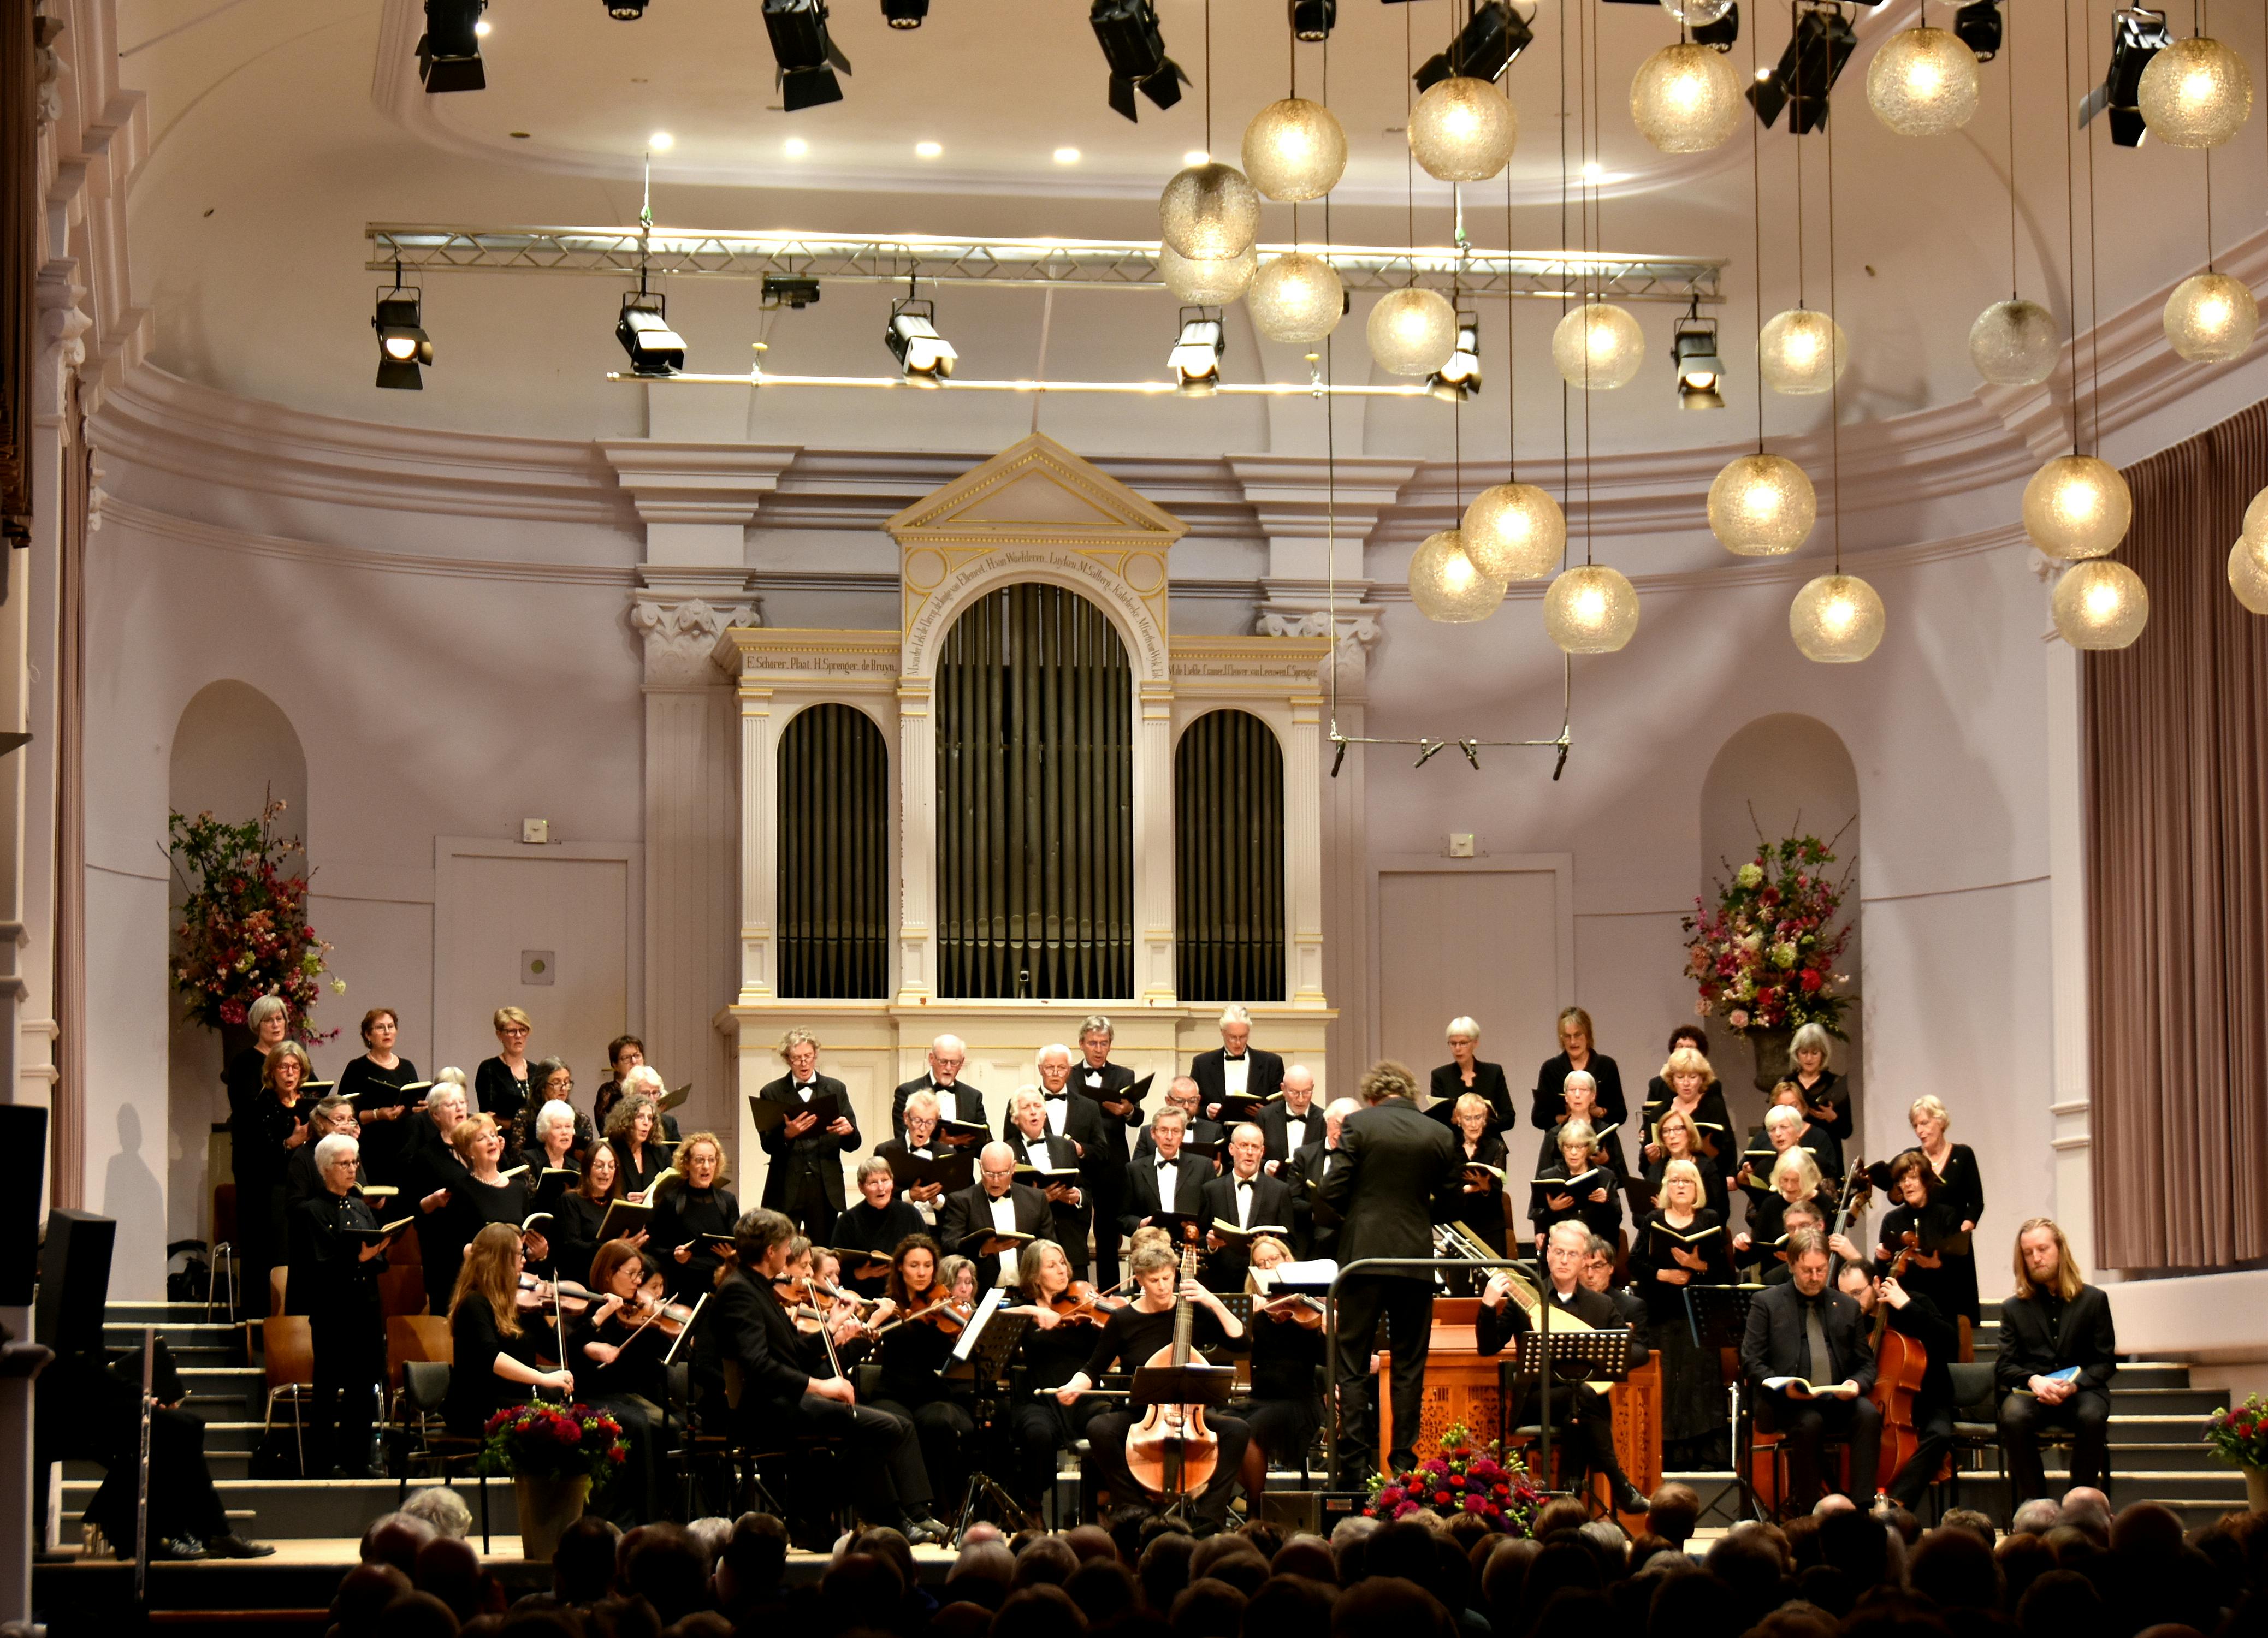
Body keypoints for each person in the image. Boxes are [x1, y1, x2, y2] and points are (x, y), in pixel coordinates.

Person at [703, 1207, 947, 1542]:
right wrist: (823, 1386)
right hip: (763, 1409)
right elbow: (758, 1365)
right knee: (884, 1428)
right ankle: (833, 1514)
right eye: (787, 1247)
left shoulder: (758, 1287)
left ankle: (820, 1515)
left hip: (784, 1400)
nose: (790, 1253)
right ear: (771, 1251)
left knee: (880, 1430)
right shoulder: (740, 1291)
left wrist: (831, 1326)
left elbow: (795, 1353)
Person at [1317, 1060, 1458, 1486]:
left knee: (1353, 1363)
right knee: (1410, 1365)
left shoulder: (1359, 1125)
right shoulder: (1440, 1133)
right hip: (1416, 1260)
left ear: (1372, 1096)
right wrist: (1415, 1219)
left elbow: (1329, 1191)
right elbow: (1452, 1207)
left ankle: (1356, 1470)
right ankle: (1402, 1466)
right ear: (1410, 1093)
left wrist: (1356, 1220)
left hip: (1363, 1260)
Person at [1046, 1243, 1252, 1532]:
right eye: (1154, 1280)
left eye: (1168, 1278)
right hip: (1142, 1414)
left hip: (1190, 1413)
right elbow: (1093, 1368)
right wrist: (1073, 1386)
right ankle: (1135, 1508)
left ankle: (1209, 1516)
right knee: (1100, 1428)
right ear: (1140, 1280)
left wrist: (1213, 1302)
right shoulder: (1123, 1320)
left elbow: (1241, 1342)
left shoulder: (1192, 1311)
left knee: (1237, 1430)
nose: (1163, 1286)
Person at [1476, 1221, 1647, 1512]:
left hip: (1583, 1402)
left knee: (1576, 1411)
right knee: (1581, 1398)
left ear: (1584, 1260)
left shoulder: (1602, 1305)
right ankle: (1619, 1484)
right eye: (1559, 1252)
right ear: (1547, 1255)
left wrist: (1605, 1353)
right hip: (1537, 1399)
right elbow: (1487, 1347)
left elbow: (1640, 1351)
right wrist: (1489, 1306)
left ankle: (1567, 1498)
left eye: (1572, 1254)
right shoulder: (1525, 1301)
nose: (1565, 1260)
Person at [1740, 1228, 1882, 1512]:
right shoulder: (1767, 1303)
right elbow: (1751, 1360)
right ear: (1792, 1265)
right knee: (1810, 1422)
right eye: (1807, 1271)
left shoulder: (1845, 1305)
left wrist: (1856, 1384)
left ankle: (1861, 1506)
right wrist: (1783, 1387)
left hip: (1835, 1398)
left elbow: (1866, 1363)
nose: (1816, 1277)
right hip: (1786, 1403)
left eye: (1821, 1270)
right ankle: (1808, 1510)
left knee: (1868, 1414)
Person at [1996, 1216, 2116, 1504]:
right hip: (2034, 1391)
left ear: (2060, 1250)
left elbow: (2105, 1362)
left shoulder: (2094, 1300)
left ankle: (2079, 1503)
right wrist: (2033, 1380)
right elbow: (2005, 1365)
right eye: (2028, 1253)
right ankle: (2037, 1506)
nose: (2036, 1258)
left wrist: (2075, 1386)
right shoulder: (2013, 1308)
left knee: (2092, 1416)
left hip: (2081, 1390)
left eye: (2043, 1249)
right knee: (2012, 1417)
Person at [298, 1132, 396, 1476]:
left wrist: (377, 1252)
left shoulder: (359, 1207)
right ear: (326, 1168)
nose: (352, 1169)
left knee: (363, 1389)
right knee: (327, 1389)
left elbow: (378, 1263)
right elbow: (318, 1263)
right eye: (345, 1164)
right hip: (332, 1311)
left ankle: (357, 1460)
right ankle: (321, 1464)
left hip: (366, 1307)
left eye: (355, 1162)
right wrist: (360, 1258)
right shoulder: (310, 1211)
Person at [1836, 1258, 1959, 1511]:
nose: (1853, 1302)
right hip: (1879, 1404)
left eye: (1858, 1293)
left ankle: (1899, 1504)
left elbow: (1950, 1342)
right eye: (1846, 1296)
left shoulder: (1913, 1302)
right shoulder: (1851, 1320)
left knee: (1940, 1435)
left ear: (1877, 1283)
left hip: (1928, 1400)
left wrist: (1907, 1307)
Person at [1632, 1158, 1732, 1468]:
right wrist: (1663, 1274)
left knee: (1699, 1384)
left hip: (1698, 1316)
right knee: (1668, 1386)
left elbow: (1724, 1274)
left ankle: (1703, 1456)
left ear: (1696, 1188)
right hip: (1661, 1314)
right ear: (1666, 1187)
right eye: (1674, 1181)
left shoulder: (1710, 1220)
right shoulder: (1652, 1219)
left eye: (1686, 1181)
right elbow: (1635, 1264)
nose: (1679, 1186)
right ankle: (1668, 1456)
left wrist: (1696, 1266)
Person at [565, 1237, 671, 1525]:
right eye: (632, 1274)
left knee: (664, 1423)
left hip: (622, 1395)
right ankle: (622, 1517)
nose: (638, 1281)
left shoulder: (633, 1311)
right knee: (636, 1423)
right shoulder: (588, 1308)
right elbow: (567, 1348)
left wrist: (654, 1327)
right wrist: (600, 1319)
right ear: (610, 1273)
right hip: (591, 1396)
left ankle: (653, 1512)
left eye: (640, 1275)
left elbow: (639, 1367)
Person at [1003, 1238, 1112, 1518]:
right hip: (1040, 1397)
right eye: (1052, 1266)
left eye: (1062, 1262)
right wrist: (1034, 1311)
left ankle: (1099, 1502)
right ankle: (1035, 1506)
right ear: (1035, 1275)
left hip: (1082, 1395)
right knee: (1037, 1433)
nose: (1062, 1270)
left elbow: (1111, 1349)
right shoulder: (1024, 1306)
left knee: (1108, 1422)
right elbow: (990, 1316)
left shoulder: (1084, 1305)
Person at [870, 1233, 977, 1515]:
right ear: (900, 1268)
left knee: (940, 1422)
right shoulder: (887, 1306)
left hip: (930, 1392)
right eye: (914, 1265)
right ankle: (906, 1512)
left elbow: (950, 1355)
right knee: (897, 1424)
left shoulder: (942, 1306)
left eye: (928, 1266)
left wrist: (963, 1335)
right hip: (892, 1392)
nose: (922, 1273)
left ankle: (945, 1510)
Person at [443, 1222, 573, 1437]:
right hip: (476, 1407)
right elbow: (491, 1358)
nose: (524, 1260)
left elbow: (553, 1348)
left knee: (571, 1422)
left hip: (514, 1403)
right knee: (552, 1428)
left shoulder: (520, 1305)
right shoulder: (474, 1303)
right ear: (499, 1258)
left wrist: (594, 1322)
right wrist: (542, 1379)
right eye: (518, 1254)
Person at [1230, 1233, 1326, 1499]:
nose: (1268, 1266)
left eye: (1273, 1259)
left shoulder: (1309, 1305)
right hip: (1259, 1399)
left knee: (1248, 1432)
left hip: (1297, 1403)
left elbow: (1326, 1357)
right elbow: (1239, 1349)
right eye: (1260, 1263)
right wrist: (1252, 1318)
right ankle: (1242, 1496)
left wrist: (1318, 1320)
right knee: (1222, 1428)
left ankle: (1255, 1508)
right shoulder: (1254, 1307)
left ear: (1287, 1260)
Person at [754, 1028, 862, 1239]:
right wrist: (788, 1134)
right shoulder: (772, 1092)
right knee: (782, 1248)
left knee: (823, 1250)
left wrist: (848, 1132)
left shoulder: (836, 1088)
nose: (803, 1063)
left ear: (815, 1055)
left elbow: (854, 1143)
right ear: (787, 1059)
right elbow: (767, 1144)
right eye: (796, 1059)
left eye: (808, 1057)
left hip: (825, 1188)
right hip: (786, 1187)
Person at [1073, 1015, 1146, 1288]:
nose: (1098, 1048)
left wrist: (1127, 1111)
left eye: (1104, 1043)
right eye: (1093, 1043)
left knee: (1108, 1235)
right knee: (1075, 1231)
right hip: (1079, 1158)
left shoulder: (1124, 1075)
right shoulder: (1069, 1075)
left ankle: (1110, 1296)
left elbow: (1138, 1118)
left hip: (1111, 1163)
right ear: (1081, 1044)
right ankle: (1076, 1292)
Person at [1909, 1095, 1985, 1343]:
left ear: (1940, 1121)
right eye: (1916, 1126)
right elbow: (1899, 1197)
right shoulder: (1912, 1158)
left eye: (1925, 1123)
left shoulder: (1962, 1155)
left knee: (1957, 1316)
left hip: (1954, 1245)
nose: (1920, 1131)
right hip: (1924, 1243)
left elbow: (1975, 1201)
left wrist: (1964, 1229)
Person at [939, 1142, 1057, 1289]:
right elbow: (949, 1247)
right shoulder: (962, 1201)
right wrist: (982, 1250)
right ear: (981, 1167)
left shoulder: (1036, 1199)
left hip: (1029, 1292)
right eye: (989, 1173)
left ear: (1013, 1168)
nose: (995, 1181)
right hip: (982, 1294)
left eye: (1002, 1173)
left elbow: (1050, 1246)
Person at [1872, 1149, 1968, 1322]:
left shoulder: (1948, 1215)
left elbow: (1960, 1271)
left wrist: (1938, 1266)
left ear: (1925, 1181)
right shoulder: (1892, 1220)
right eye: (1902, 1180)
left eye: (1913, 1178)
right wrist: (1880, 1257)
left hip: (1941, 1307)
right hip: (1903, 1309)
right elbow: (1883, 1273)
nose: (1907, 1184)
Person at [1004, 1084, 1091, 1276]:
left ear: (1045, 1113)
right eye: (1027, 1107)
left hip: (1070, 1244)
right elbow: (1003, 1200)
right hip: (1030, 1247)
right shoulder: (1007, 1151)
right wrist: (1039, 1200)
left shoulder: (1066, 1146)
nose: (1034, 1112)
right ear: (1016, 1119)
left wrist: (1078, 1196)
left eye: (1037, 1106)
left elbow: (1085, 1189)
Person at [1199, 1122, 1292, 1293]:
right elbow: (1201, 1236)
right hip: (1222, 1282)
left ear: (1262, 1152)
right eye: (1244, 1146)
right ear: (1232, 1149)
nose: (1250, 1152)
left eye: (1255, 1147)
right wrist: (1211, 1244)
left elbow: (1290, 1241)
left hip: (1266, 1284)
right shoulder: (1211, 1190)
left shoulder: (1280, 1190)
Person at [336, 1008, 422, 1185]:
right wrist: (378, 1114)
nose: (387, 1032)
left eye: (391, 1026)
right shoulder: (357, 1068)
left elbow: (413, 1102)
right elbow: (345, 1113)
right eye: (380, 1028)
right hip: (373, 1149)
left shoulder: (408, 1066)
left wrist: (419, 1108)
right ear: (368, 1035)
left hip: (406, 1147)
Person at [405, 1076, 471, 1312]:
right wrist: (432, 1201)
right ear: (435, 1116)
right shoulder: (426, 1156)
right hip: (445, 1253)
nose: (459, 1107)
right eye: (451, 1104)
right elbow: (412, 1207)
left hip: (481, 1250)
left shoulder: (482, 1149)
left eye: (462, 1102)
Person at [649, 1131, 739, 1299]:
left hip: (720, 1288)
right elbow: (654, 1247)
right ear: (687, 1164)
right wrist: (674, 1256)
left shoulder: (728, 1201)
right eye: (699, 1160)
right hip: (683, 1287)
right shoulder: (671, 1200)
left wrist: (732, 1257)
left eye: (711, 1160)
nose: (706, 1166)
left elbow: (740, 1249)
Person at [831, 1157, 926, 1298]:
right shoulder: (848, 1221)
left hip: (907, 1296)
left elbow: (927, 1253)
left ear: (892, 1182)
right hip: (864, 1298)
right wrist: (861, 1274)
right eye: (873, 1183)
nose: (881, 1188)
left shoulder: (911, 1214)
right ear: (861, 1187)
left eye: (885, 1180)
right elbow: (835, 1268)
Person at [553, 1138, 641, 1287]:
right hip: (581, 1282)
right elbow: (571, 1248)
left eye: (611, 1166)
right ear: (587, 1168)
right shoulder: (571, 1200)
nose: (606, 1172)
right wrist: (613, 1247)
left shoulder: (621, 1202)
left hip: (615, 1283)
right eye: (599, 1166)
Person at [1529, 1118, 1621, 1255]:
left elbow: (1617, 1218)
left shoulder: (1606, 1176)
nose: (1573, 1152)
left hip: (1595, 1246)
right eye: (1569, 1147)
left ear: (1588, 1148)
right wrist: (1551, 1209)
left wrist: (1606, 1202)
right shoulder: (1547, 1176)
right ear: (1562, 1148)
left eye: (1579, 1147)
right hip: (1561, 1247)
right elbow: (1539, 1219)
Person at [1282, 1096, 1357, 1261]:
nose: (1342, 1133)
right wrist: (1316, 1214)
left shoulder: (1363, 1158)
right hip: (1311, 1243)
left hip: (1350, 1244)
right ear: (1327, 1121)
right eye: (1338, 1124)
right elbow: (1291, 1200)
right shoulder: (1304, 1155)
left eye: (1349, 1127)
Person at [1529, 1006, 1626, 1131]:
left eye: (1578, 1035)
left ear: (1588, 1035)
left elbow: (1621, 1115)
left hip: (1600, 1141)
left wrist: (1599, 1112)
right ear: (1561, 1038)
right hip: (1562, 1141)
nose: (1573, 1042)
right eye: (1567, 1036)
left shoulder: (1606, 1066)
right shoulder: (1551, 1068)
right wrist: (1563, 1118)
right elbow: (1538, 1118)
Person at [1444, 1093, 1514, 1259]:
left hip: (1490, 1224)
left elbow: (1499, 1188)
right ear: (1458, 1119)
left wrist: (1485, 1186)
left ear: (1485, 1119)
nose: (1474, 1124)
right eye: (1468, 1119)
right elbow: (1443, 1186)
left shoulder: (1497, 1147)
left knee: (1493, 1282)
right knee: (1459, 1283)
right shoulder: (1449, 1147)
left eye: (1478, 1118)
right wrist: (1465, 1190)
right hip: (1459, 1225)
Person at [1121, 1106, 1209, 1235]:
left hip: (1190, 1248)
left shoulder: (1203, 1166)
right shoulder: (1134, 1170)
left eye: (1175, 1131)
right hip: (1149, 1248)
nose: (1169, 1137)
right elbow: (1122, 1217)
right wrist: (1140, 1224)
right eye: (1164, 1130)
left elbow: (1212, 1215)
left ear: (1183, 1135)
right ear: (1153, 1133)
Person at [874, 1090, 956, 1227]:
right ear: (906, 1118)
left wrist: (936, 1200)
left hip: (935, 1233)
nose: (923, 1128)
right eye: (917, 1121)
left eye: (930, 1122)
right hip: (897, 1229)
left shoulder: (948, 1154)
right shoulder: (885, 1152)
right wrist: (909, 1196)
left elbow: (957, 1206)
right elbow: (876, 1197)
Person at [1640, 1043, 1732, 1165]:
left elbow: (1729, 1154)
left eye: (1693, 1077)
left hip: (1708, 1176)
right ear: (1672, 1079)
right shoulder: (1660, 1112)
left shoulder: (1714, 1107)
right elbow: (1645, 1164)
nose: (1686, 1083)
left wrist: (1705, 1146)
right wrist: (1653, 1158)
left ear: (1702, 1079)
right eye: (1680, 1077)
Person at [1191, 1005, 1284, 1121]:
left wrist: (1263, 1113)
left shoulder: (1271, 1063)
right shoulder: (1202, 1064)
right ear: (1223, 1032)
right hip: (1217, 1135)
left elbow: (1281, 1108)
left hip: (1258, 1134)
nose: (1238, 1043)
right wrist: (1207, 1111)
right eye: (1233, 1037)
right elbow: (1190, 1106)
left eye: (1243, 1037)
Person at [1536, 1070, 1631, 1181]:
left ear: (1593, 1096)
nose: (1577, 1095)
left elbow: (1622, 1178)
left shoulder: (1606, 1132)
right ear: (1566, 1096)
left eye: (1583, 1090)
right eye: (1572, 1090)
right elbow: (1541, 1179)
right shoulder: (1554, 1134)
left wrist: (1606, 1162)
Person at [892, 1033, 988, 1140]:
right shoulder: (907, 1092)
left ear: (961, 1063)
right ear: (931, 1059)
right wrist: (940, 1146)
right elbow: (902, 1141)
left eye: (954, 1062)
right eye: (943, 1061)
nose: (948, 1068)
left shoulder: (973, 1097)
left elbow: (985, 1140)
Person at [1428, 1017, 1515, 1131]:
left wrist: (1484, 1124)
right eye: (1453, 1044)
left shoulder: (1493, 1073)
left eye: (1463, 1043)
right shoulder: (1440, 1076)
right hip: (1454, 1146)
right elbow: (1437, 1121)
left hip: (1489, 1144)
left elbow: (1509, 1117)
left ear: (1475, 1043)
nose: (1458, 1048)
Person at [1644, 1107, 1728, 1221]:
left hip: (1701, 1233)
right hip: (1663, 1235)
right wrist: (1661, 1214)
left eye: (1678, 1129)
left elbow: (1721, 1212)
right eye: (1666, 1131)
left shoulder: (1708, 1167)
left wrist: (1673, 1212)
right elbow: (1640, 1218)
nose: (1672, 1135)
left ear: (1689, 1133)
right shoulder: (1655, 1170)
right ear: (1662, 1138)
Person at [513, 1060, 597, 1165]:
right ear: (543, 1087)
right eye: (556, 1083)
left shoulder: (581, 1121)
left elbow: (588, 1162)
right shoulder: (526, 1118)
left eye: (566, 1083)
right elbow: (517, 1159)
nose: (563, 1088)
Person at [1766, 1080, 1844, 1186]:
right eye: (1782, 1108)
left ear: (1803, 1106)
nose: (1788, 1113)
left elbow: (1830, 1179)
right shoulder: (1764, 1141)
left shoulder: (1819, 1137)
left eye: (1793, 1106)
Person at [1132, 1078, 1225, 1165]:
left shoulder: (1213, 1131)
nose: (1186, 1106)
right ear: (1168, 1101)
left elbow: (1227, 1168)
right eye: (1180, 1101)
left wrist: (1218, 1169)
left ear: (1199, 1099)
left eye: (1192, 1101)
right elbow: (1137, 1171)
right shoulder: (1148, 1133)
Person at [1787, 1023, 1854, 1142]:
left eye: (1815, 1053)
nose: (1809, 1058)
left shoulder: (1834, 1084)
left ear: (1823, 1054)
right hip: (1794, 1154)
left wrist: (1833, 1118)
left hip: (1828, 1153)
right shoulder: (1787, 1083)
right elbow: (1770, 1125)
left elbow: (1847, 1132)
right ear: (1796, 1053)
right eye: (1804, 1052)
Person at [475, 1007, 536, 1130]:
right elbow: (488, 1116)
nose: (518, 1036)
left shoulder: (537, 1071)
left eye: (523, 1030)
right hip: (504, 1141)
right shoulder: (489, 1069)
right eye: (512, 1031)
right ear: (500, 1035)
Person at [605, 1090, 671, 1202]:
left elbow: (670, 1191)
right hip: (624, 1215)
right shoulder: (611, 1151)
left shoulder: (660, 1152)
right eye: (640, 1117)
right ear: (627, 1120)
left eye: (650, 1118)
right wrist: (624, 1200)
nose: (646, 1123)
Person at [1257, 1064, 1320, 1171]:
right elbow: (1253, 1154)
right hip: (1275, 1184)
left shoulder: (1324, 1119)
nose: (1301, 1099)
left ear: (1313, 1088)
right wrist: (1267, 1166)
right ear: (1283, 1089)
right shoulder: (1265, 1116)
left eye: (1306, 1092)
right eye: (1294, 1092)